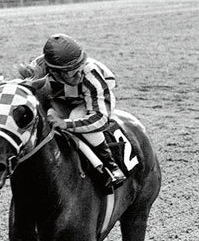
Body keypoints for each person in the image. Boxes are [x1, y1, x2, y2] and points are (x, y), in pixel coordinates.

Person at [20, 33, 126, 187]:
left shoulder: (90, 74)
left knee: (77, 114)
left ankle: (110, 165)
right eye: (71, 70)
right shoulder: (38, 70)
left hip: (91, 99)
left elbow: (100, 118)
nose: (78, 72)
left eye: (79, 65)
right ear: (54, 71)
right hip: (59, 97)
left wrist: (66, 124)